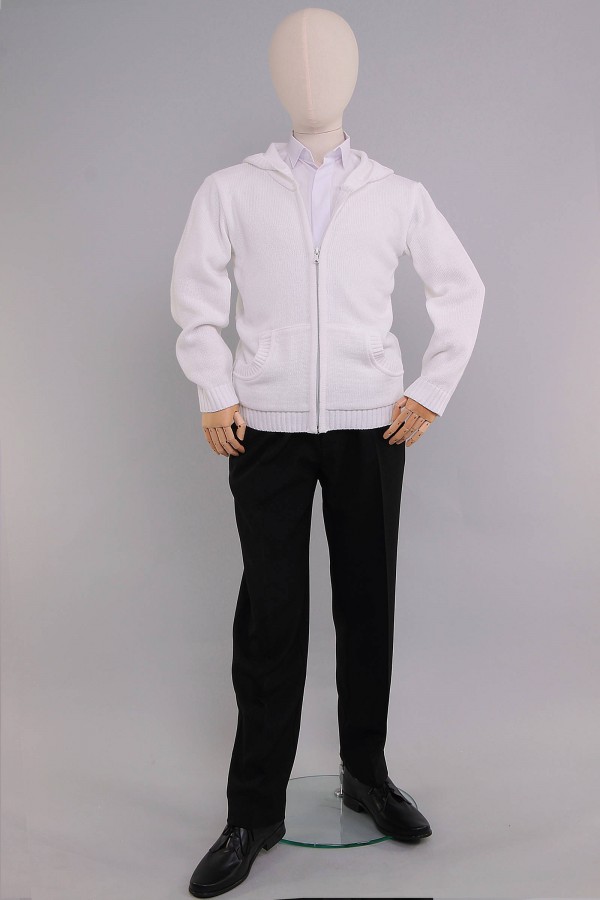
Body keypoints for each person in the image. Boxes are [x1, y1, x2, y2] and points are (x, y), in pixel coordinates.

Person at [170, 10, 485, 898]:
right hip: (264, 427)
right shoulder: (231, 190)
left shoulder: (395, 194)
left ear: (355, 74)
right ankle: (252, 812)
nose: (313, 76)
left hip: (369, 425)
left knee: (367, 604)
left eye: (331, 60)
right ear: (276, 77)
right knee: (270, 619)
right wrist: (215, 387)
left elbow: (462, 290)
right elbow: (195, 297)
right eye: (295, 62)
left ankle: (367, 777)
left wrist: (430, 388)